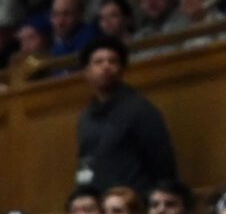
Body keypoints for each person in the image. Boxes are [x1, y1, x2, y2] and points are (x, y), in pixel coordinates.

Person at [74, 35, 177, 194]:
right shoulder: (85, 118)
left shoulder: (141, 110)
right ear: (86, 71)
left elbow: (162, 163)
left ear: (122, 69)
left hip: (134, 203)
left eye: (112, 61)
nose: (106, 66)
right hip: (100, 204)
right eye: (98, 62)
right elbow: (85, 164)